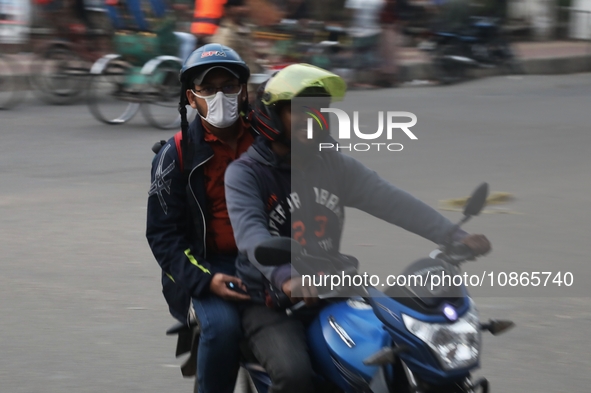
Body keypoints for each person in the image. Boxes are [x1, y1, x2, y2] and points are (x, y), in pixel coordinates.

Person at [224, 63, 491, 393]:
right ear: (272, 114)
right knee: (295, 376)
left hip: (338, 287)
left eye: (321, 111)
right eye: (300, 111)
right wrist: (285, 276)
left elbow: (392, 200)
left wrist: (454, 235)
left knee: (408, 347)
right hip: (270, 300)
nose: (314, 119)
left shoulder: (334, 165)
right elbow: (251, 234)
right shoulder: (246, 174)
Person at [146, 43, 255, 393]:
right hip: (204, 266)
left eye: (229, 86)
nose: (220, 96)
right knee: (223, 329)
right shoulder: (174, 155)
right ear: (191, 99)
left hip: (265, 261)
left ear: (244, 91)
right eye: (208, 89)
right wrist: (205, 281)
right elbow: (164, 237)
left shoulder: (267, 145)